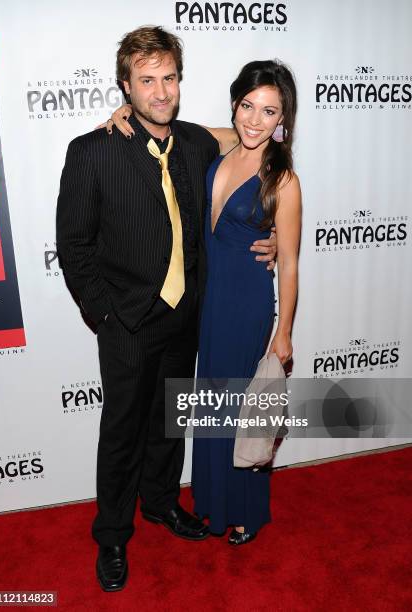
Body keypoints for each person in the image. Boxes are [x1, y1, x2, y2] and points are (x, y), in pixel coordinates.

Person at [56, 26, 276, 592]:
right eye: (146, 80)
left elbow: (254, 138)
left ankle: (160, 504)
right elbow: (74, 248)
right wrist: (105, 315)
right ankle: (111, 535)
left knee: (170, 426)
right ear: (125, 86)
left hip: (186, 316)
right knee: (122, 433)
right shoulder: (91, 152)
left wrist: (277, 236)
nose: (160, 91)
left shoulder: (198, 143)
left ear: (180, 81)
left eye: (169, 78)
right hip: (125, 323)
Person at [108, 59, 301, 545]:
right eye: (247, 106)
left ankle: (245, 511)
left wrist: (283, 335)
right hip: (208, 302)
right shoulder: (224, 142)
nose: (255, 120)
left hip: (245, 305)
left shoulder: (283, 181)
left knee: (241, 409)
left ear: (283, 120)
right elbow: (166, 123)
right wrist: (123, 110)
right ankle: (215, 502)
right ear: (236, 105)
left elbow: (292, 264)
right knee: (214, 409)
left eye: (269, 112)